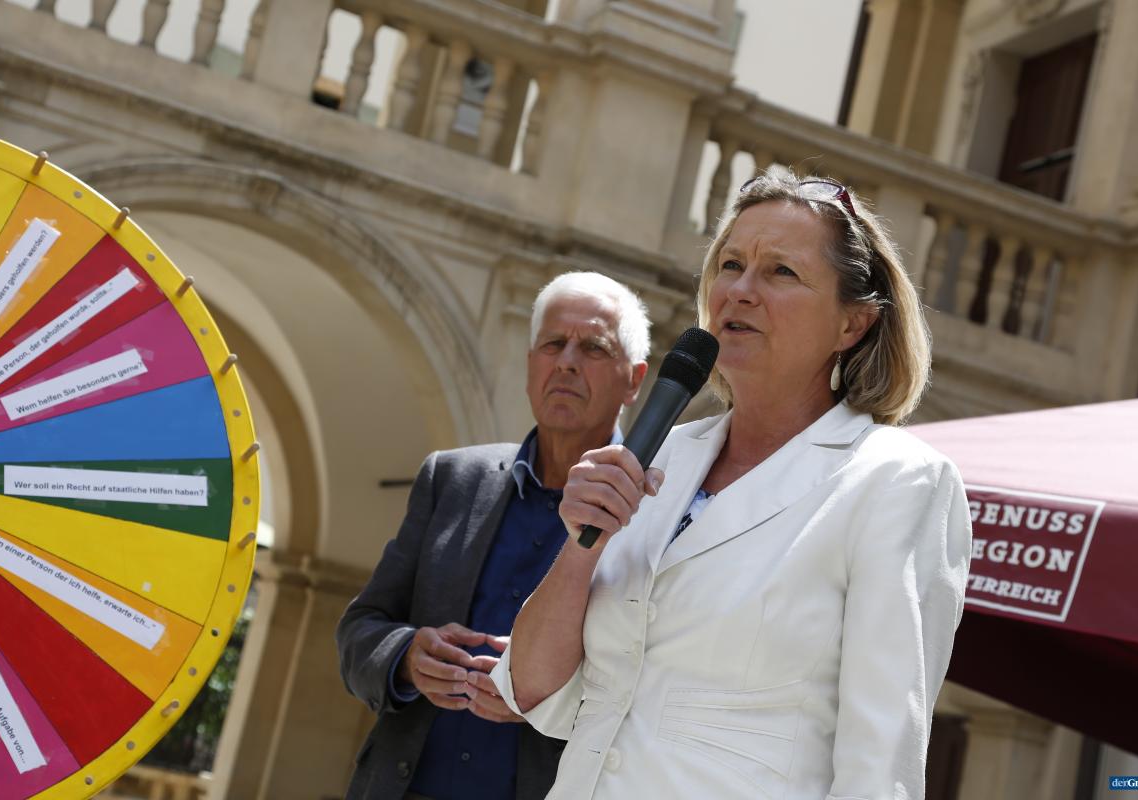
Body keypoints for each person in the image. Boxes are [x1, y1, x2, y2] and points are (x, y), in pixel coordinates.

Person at [491, 168, 974, 799]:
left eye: (781, 272)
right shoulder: (664, 454)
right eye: (730, 265)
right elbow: (530, 688)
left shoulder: (897, 482)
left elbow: (880, 767)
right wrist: (583, 546)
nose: (741, 291)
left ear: (852, 325)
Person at [336, 272, 652, 800]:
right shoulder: (452, 478)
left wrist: (548, 698)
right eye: (553, 343)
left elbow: (657, 695)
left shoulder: (654, 511)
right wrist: (406, 657)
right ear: (530, 364)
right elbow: (360, 629)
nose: (566, 362)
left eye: (593, 348)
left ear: (634, 380)